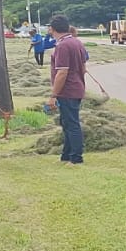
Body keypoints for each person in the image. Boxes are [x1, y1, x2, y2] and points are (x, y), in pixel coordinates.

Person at [45, 14, 88, 165]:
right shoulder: (76, 42)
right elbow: (83, 68)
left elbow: (62, 72)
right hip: (76, 87)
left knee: (71, 124)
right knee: (67, 123)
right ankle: (66, 155)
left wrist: (53, 95)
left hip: (67, 90)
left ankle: (76, 157)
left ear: (52, 28)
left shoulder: (62, 45)